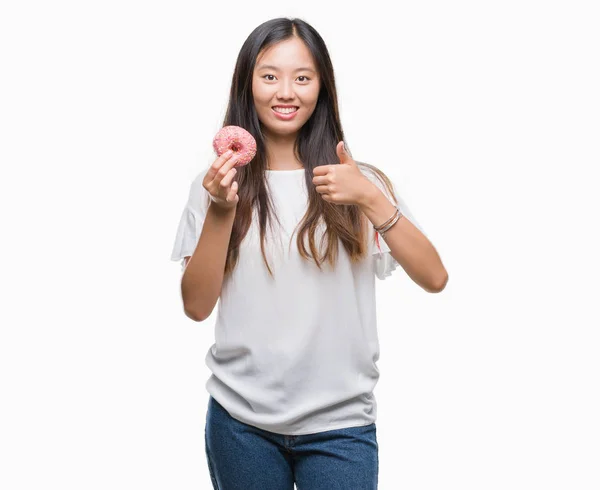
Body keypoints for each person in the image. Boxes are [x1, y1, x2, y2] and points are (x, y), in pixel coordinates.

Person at [170, 17, 448, 490]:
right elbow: (196, 307)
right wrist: (221, 209)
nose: (286, 91)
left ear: (322, 86)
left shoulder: (358, 182)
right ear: (247, 83)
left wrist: (372, 199)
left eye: (302, 77)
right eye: (269, 75)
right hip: (241, 423)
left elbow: (435, 276)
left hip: (341, 427)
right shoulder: (214, 186)